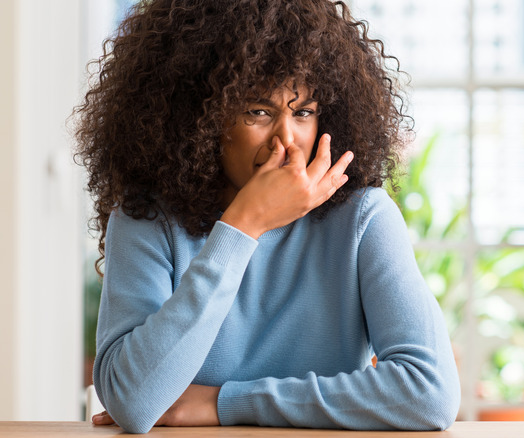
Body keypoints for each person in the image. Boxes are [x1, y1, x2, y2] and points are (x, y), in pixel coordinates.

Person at [73, 0, 460, 434]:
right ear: (197, 116)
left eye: (303, 112)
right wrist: (242, 226)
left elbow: (429, 393)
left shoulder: (362, 218)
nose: (287, 140)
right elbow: (134, 401)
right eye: (258, 111)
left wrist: (224, 403)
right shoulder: (147, 219)